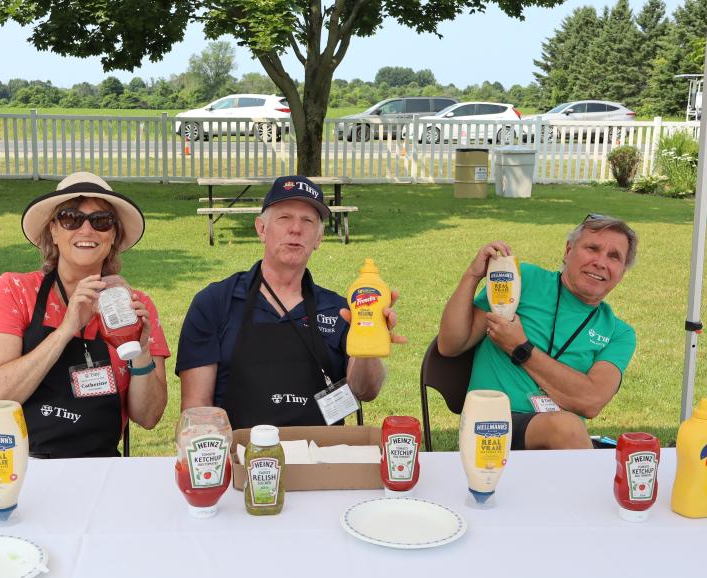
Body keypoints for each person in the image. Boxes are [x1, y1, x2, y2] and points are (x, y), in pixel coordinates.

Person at [0, 171, 169, 459]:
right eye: (71, 218)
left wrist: (141, 348)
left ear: (113, 236)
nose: (87, 230)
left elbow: (148, 417)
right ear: (53, 231)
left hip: (93, 469)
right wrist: (66, 329)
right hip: (4, 462)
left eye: (101, 221)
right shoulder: (14, 290)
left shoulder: (133, 306)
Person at [176, 175, 403, 429]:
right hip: (239, 458)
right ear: (261, 229)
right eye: (284, 218)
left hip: (321, 460)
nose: (296, 229)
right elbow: (196, 410)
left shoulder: (340, 310)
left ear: (318, 239)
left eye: (308, 221)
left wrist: (369, 342)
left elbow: (365, 391)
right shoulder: (215, 304)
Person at [437, 214, 638, 450]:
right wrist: (472, 276)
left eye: (614, 257)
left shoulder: (618, 333)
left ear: (622, 272)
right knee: (567, 428)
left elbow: (591, 401)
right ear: (568, 251)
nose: (601, 262)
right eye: (592, 248)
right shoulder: (524, 280)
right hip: (489, 424)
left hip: (558, 437)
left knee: (570, 429)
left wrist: (520, 348)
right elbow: (450, 345)